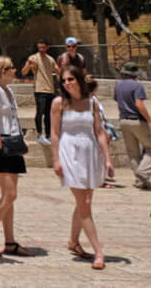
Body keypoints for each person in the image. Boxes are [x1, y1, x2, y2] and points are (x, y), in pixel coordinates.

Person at [51, 65, 114, 270]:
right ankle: (99, 251)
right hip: (69, 153)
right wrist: (56, 160)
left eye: (70, 79)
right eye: (64, 81)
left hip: (90, 153)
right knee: (84, 203)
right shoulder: (59, 103)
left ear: (78, 80)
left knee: (84, 201)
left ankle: (73, 241)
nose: (67, 84)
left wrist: (107, 160)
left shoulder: (92, 103)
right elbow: (54, 133)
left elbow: (99, 132)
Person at [0, 56, 32, 257]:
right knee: (10, 194)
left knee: (9, 196)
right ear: (2, 71)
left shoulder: (8, 91)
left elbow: (12, 118)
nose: (15, 70)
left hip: (12, 143)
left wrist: (21, 140)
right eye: (11, 68)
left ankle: (10, 242)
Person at [115, 61, 151, 190]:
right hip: (137, 120)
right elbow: (139, 104)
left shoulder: (118, 86)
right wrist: (149, 120)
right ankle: (142, 173)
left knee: (133, 152)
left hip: (123, 120)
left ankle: (139, 181)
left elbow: (119, 105)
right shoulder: (137, 86)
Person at [23, 39, 58, 146]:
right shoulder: (34, 58)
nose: (41, 49)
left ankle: (47, 136)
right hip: (40, 89)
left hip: (50, 90)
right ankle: (39, 135)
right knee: (39, 112)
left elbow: (57, 70)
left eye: (43, 47)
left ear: (47, 47)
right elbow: (24, 72)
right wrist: (28, 65)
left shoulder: (50, 59)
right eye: (39, 48)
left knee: (48, 114)